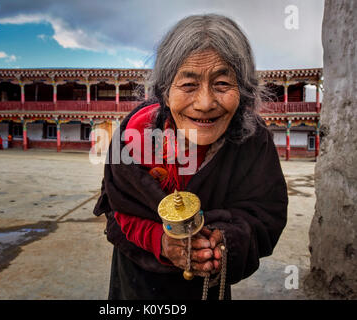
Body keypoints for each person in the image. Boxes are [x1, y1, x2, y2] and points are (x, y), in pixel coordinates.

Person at [93, 14, 288, 300]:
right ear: (165, 92)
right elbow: (116, 213)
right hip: (135, 286)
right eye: (188, 85)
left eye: (222, 84)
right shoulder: (134, 136)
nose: (205, 103)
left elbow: (265, 216)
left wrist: (224, 242)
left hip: (206, 290)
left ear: (243, 91)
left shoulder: (252, 141)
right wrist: (161, 242)